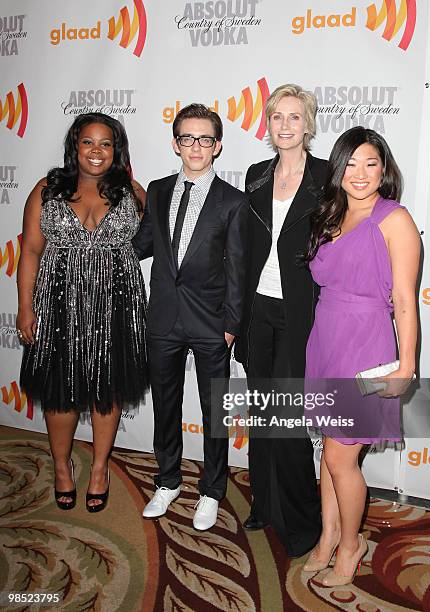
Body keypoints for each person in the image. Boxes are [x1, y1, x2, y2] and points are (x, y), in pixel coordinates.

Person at [303, 126, 420, 586]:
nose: (360, 173)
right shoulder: (330, 215)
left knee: (340, 459)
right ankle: (330, 535)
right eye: (350, 163)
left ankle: (351, 545)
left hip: (367, 346)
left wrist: (405, 364)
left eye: (371, 163)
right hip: (326, 340)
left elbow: (406, 300)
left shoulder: (395, 219)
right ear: (338, 168)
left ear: (384, 169)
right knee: (330, 456)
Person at [17, 112, 148, 513]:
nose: (96, 151)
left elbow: (167, 237)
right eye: (88, 142)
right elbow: (30, 253)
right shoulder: (46, 189)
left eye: (106, 143)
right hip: (59, 308)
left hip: (116, 306)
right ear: (75, 146)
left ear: (116, 151)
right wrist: (25, 308)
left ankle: (99, 470)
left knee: (107, 391)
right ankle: (61, 468)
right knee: (60, 394)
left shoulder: (132, 191)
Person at [132, 103, 248, 531]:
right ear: (175, 143)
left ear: (217, 146)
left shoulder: (233, 201)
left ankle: (213, 490)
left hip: (211, 323)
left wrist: (231, 324)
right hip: (162, 317)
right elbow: (144, 242)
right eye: (187, 138)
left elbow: (237, 267)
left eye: (204, 139)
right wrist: (103, 235)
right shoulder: (158, 190)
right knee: (166, 403)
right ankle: (167, 480)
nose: (195, 146)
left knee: (214, 410)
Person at [234, 84, 326, 557]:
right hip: (258, 311)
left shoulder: (328, 176)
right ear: (267, 125)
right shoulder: (256, 175)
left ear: (308, 124)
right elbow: (245, 248)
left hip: (300, 312)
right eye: (277, 117)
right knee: (262, 410)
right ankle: (264, 505)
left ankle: (303, 524)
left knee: (288, 417)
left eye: (294, 117)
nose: (285, 126)